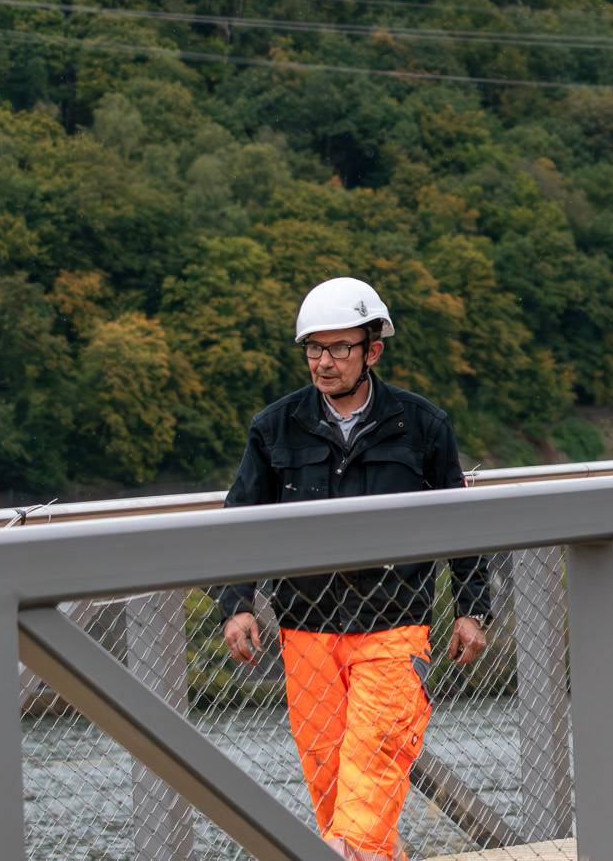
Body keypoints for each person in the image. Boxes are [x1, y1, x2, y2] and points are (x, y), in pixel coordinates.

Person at [216, 277, 490, 861]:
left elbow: (460, 527)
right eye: (314, 348)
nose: (324, 361)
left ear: (373, 350)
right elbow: (238, 522)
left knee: (378, 756)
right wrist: (236, 603)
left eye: (340, 347)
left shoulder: (421, 425)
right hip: (306, 628)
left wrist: (471, 609)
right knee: (329, 775)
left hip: (393, 625)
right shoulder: (275, 428)